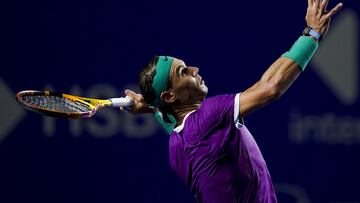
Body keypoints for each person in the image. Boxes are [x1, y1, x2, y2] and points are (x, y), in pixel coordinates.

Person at [122, 0, 343, 202]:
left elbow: (170, 118)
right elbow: (270, 87)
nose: (194, 70)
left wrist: (152, 106)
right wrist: (312, 34)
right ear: (170, 96)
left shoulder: (176, 145)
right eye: (183, 72)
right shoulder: (209, 116)